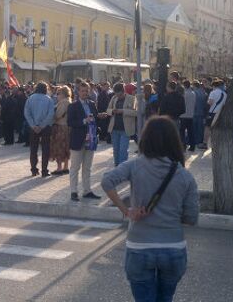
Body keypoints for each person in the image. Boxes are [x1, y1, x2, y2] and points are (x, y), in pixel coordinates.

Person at [102, 116, 199, 302]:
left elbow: (107, 181)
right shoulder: (185, 176)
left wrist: (126, 211)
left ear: (146, 138)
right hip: (173, 248)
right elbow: (191, 218)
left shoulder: (135, 165)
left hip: (139, 247)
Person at [68, 82, 103, 201]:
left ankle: (87, 190)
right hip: (78, 140)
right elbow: (70, 122)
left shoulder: (92, 104)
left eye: (86, 91)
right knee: (75, 167)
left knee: (87, 167)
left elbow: (95, 117)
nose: (85, 93)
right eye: (82, 91)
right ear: (78, 92)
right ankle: (73, 191)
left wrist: (99, 117)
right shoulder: (73, 106)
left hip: (91, 139)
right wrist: (84, 121)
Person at [24, 82, 55, 177]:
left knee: (33, 149)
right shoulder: (49, 99)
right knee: (45, 149)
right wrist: (42, 125)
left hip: (33, 127)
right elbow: (50, 114)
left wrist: (33, 125)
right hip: (45, 128)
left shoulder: (30, 98)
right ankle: (44, 171)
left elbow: (26, 113)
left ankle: (34, 169)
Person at [107, 83, 137, 166]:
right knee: (116, 150)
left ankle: (122, 169)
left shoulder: (132, 98)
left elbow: (136, 113)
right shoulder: (114, 98)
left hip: (125, 129)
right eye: (116, 95)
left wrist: (123, 111)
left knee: (123, 150)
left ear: (124, 91)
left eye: (120, 95)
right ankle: (117, 167)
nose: (118, 97)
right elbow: (108, 110)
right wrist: (112, 111)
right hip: (114, 129)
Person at [50, 86, 72, 175]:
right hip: (67, 127)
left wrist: (52, 116)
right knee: (66, 147)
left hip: (61, 127)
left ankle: (59, 168)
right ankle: (66, 167)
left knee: (59, 147)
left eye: (58, 93)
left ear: (62, 94)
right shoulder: (69, 101)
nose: (57, 95)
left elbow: (58, 115)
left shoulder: (63, 102)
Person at [200, 80, 227, 149]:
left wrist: (207, 103)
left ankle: (205, 143)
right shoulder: (224, 94)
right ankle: (216, 144)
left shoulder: (213, 92)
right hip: (219, 113)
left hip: (212, 112)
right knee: (217, 128)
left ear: (214, 86)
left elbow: (210, 102)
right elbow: (224, 104)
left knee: (207, 128)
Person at [179, 80, 196, 151]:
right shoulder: (193, 93)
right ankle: (192, 146)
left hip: (183, 115)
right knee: (191, 131)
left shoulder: (183, 94)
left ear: (184, 85)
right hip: (191, 115)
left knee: (182, 132)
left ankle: (183, 146)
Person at [191, 81, 207, 148]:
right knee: (200, 128)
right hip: (202, 113)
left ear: (195, 86)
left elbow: (193, 104)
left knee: (194, 128)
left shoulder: (194, 93)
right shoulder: (204, 93)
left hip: (195, 113)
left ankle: (194, 140)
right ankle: (199, 141)